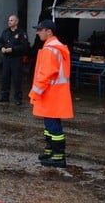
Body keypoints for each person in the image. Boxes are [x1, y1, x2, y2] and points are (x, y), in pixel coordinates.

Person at [28, 19, 73, 168]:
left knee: (53, 126)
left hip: (50, 94)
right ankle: (51, 152)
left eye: (40, 29)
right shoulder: (56, 47)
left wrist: (35, 93)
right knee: (50, 125)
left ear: (49, 31)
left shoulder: (50, 49)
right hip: (55, 94)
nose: (38, 32)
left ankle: (58, 157)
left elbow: (45, 75)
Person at [0, 14, 29, 105]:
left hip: (16, 59)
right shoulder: (5, 32)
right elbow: (0, 42)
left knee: (17, 78)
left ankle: (18, 98)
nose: (9, 22)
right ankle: (4, 96)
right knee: (5, 77)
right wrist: (1, 48)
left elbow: (25, 46)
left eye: (11, 20)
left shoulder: (21, 33)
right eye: (9, 20)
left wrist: (13, 49)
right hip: (6, 58)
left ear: (16, 22)